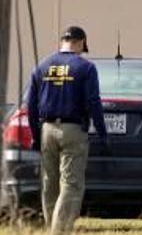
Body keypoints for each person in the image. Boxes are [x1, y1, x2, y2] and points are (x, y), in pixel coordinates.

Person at [26, 26, 108, 235]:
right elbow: (93, 101)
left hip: (47, 129)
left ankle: (51, 228)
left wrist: (36, 136)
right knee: (71, 184)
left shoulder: (41, 66)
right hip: (73, 130)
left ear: (62, 41)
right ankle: (59, 232)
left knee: (49, 184)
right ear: (81, 43)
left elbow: (31, 105)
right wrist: (101, 132)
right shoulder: (86, 67)